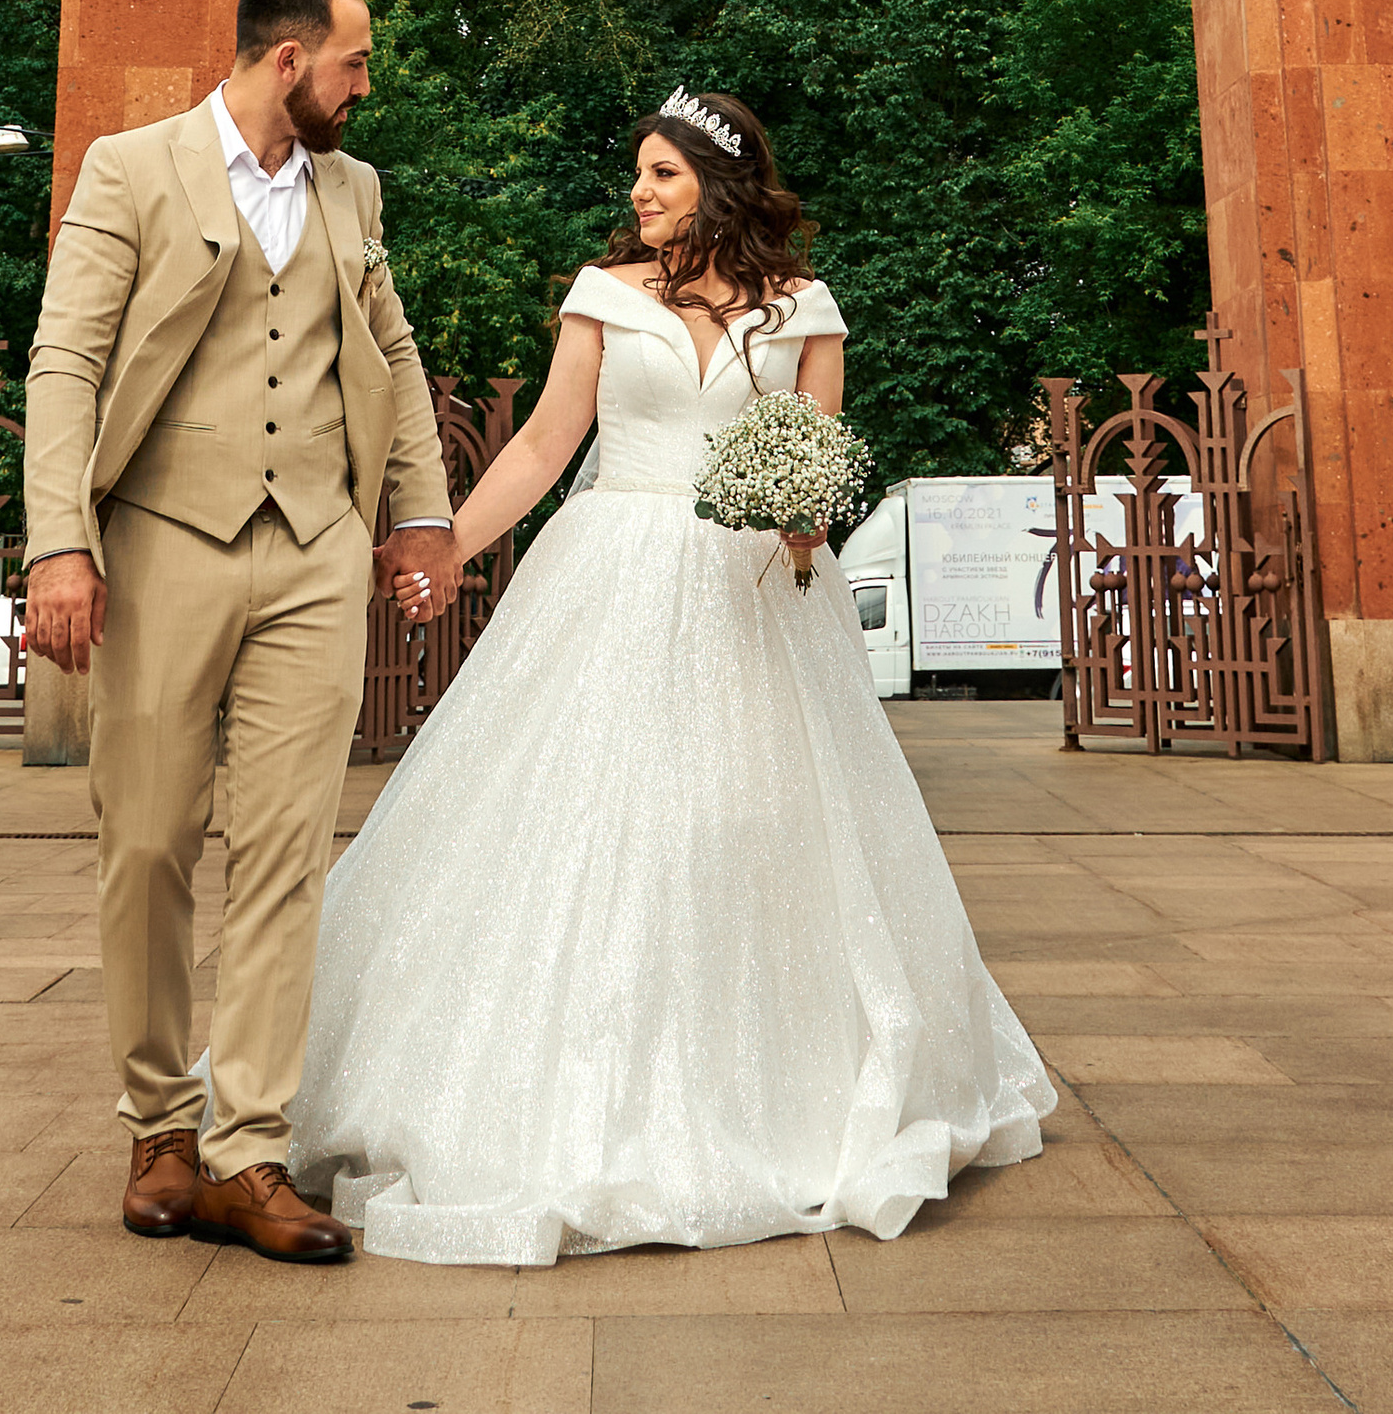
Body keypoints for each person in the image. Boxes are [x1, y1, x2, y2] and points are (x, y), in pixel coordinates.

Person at [290, 89, 1054, 1264]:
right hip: (609, 572)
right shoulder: (603, 294)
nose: (639, 193)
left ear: (721, 184)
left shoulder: (806, 308)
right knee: (581, 816)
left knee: (748, 824)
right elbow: (547, 444)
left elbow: (818, 459)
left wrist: (801, 522)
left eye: (663, 175)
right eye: (638, 175)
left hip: (752, 594)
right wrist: (448, 543)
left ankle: (764, 1081)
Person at [21, 0, 463, 1262]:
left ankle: (248, 1150)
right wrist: (62, 543)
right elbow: (67, 356)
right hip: (163, 545)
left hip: (316, 553)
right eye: (354, 62)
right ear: (288, 59)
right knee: (149, 838)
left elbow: (386, 345)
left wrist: (418, 511)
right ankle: (158, 1123)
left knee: (284, 851)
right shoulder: (133, 169)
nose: (363, 85)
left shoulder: (353, 190)